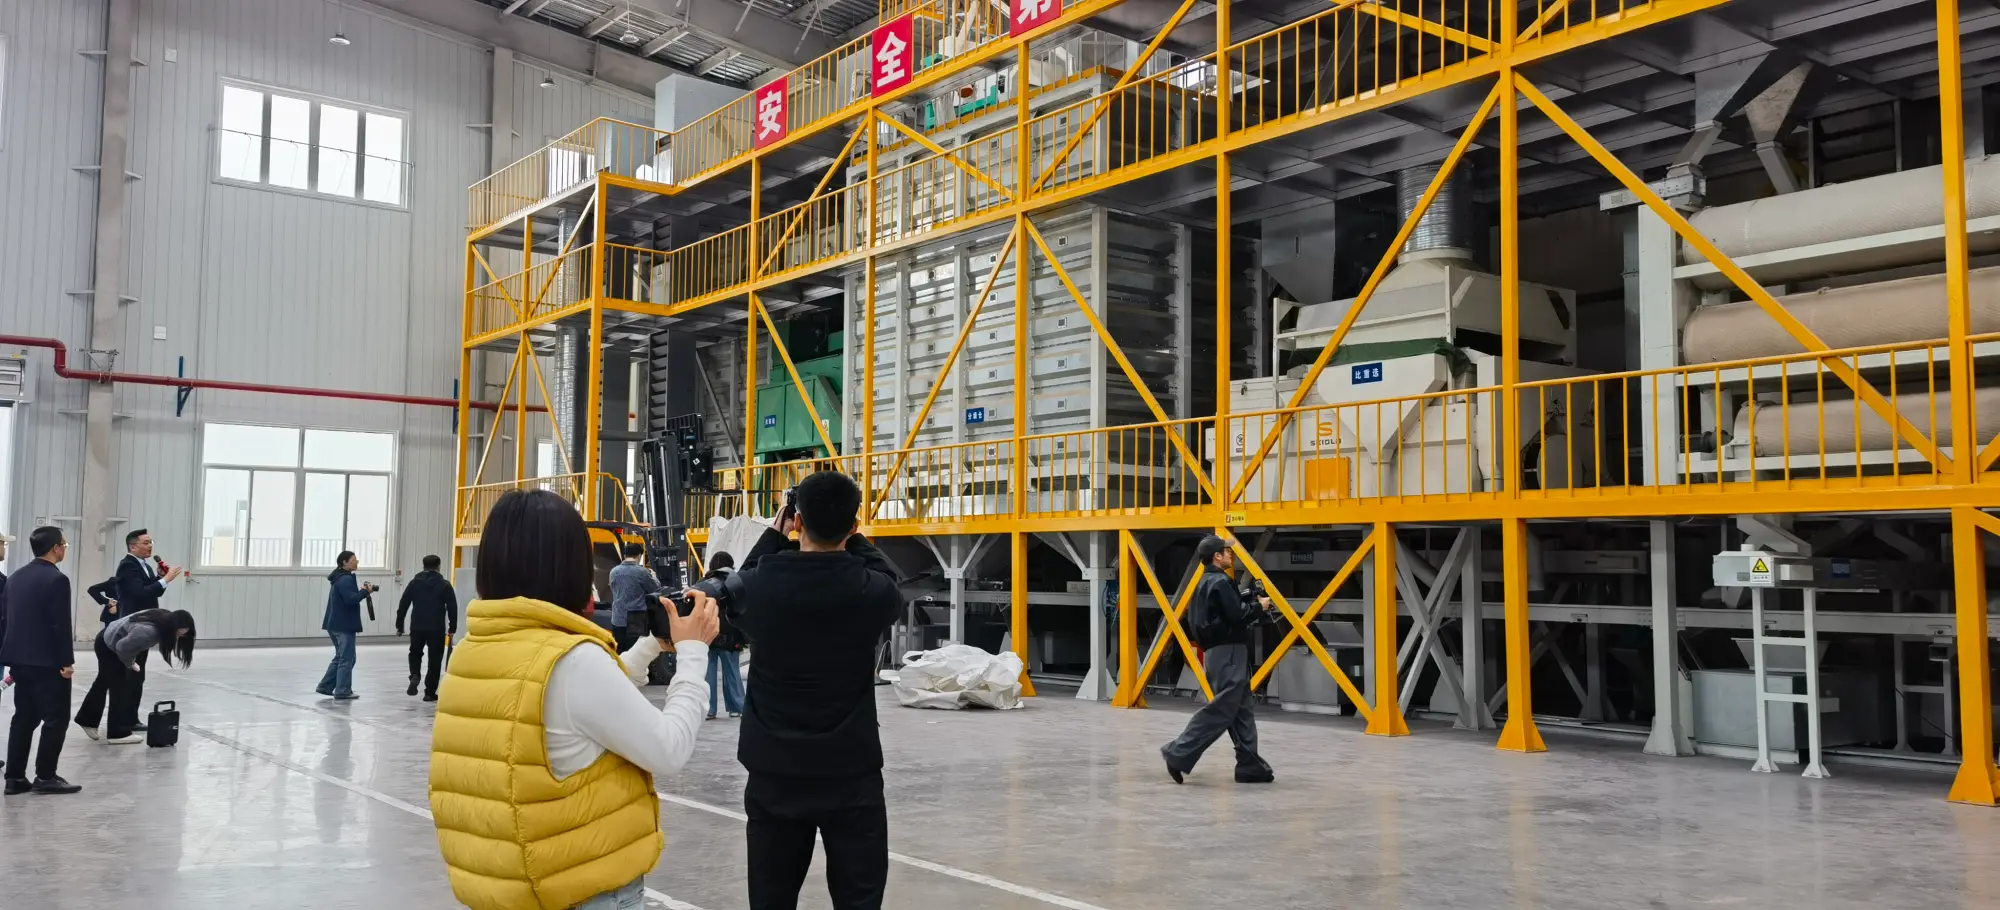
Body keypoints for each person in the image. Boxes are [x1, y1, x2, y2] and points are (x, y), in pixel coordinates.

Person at [429, 489, 717, 910]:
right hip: (581, 891)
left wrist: (650, 646)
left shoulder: (472, 650)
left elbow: (574, 709)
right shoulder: (574, 662)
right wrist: (693, 653)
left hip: (509, 889)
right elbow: (668, 749)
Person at [690, 470, 902, 910]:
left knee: (772, 898)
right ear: (853, 525)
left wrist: (773, 534)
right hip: (851, 771)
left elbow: (738, 584)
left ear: (797, 520)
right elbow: (890, 581)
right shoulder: (870, 590)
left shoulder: (759, 586)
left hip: (775, 771)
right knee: (859, 900)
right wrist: (855, 539)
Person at [1160, 535, 1275, 785]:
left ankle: (1250, 765)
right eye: (1226, 551)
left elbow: (1223, 613)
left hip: (1220, 652)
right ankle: (1178, 753)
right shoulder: (1220, 582)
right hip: (1228, 652)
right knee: (1223, 708)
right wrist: (1260, 606)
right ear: (1216, 556)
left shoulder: (1205, 582)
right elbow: (1237, 617)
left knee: (1241, 709)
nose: (1230, 554)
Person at [1, 527, 81, 795]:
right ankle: (46, 776)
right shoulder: (57, 579)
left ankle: (14, 778)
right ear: (56, 548)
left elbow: (5, 620)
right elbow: (59, 624)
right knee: (56, 718)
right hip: (48, 663)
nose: (64, 549)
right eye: (64, 545)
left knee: (24, 718)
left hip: (19, 661)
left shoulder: (15, 578)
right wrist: (66, 661)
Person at [74, 609, 197, 744]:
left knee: (104, 681)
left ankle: (87, 720)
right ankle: (118, 734)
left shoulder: (164, 619)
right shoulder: (149, 632)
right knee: (120, 687)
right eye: (178, 633)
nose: (179, 637)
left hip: (110, 638)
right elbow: (122, 647)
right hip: (110, 645)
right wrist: (130, 663)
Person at [111, 529, 184, 727]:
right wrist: (165, 580)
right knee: (132, 674)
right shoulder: (128, 566)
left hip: (144, 624)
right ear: (133, 546)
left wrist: (159, 578)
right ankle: (126, 720)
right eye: (145, 542)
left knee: (137, 674)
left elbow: (152, 591)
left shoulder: (144, 565)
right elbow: (139, 594)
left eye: (151, 542)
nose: (150, 546)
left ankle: (131, 717)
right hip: (135, 626)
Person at [396, 555, 458, 702]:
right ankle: (429, 692)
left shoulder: (414, 583)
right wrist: (452, 628)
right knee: (435, 659)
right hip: (436, 627)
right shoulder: (444, 585)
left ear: (423, 566)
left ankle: (415, 675)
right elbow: (452, 607)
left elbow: (403, 605)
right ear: (439, 566)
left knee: (415, 652)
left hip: (417, 625)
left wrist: (400, 625)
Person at [318, 551, 376, 700]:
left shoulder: (339, 577)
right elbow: (351, 600)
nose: (357, 562)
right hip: (343, 625)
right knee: (347, 658)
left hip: (335, 623)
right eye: (354, 559)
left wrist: (361, 592)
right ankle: (342, 690)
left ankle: (325, 686)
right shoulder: (345, 579)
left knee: (341, 657)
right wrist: (364, 592)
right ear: (345, 562)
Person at [702, 552, 745, 720]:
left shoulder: (702, 584)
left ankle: (709, 709)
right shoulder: (735, 584)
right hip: (730, 634)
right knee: (732, 672)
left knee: (708, 674)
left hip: (708, 633)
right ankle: (737, 707)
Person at [608, 542, 657, 653]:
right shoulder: (642, 572)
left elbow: (614, 590)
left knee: (620, 652)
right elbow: (655, 590)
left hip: (618, 618)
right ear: (639, 555)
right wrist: (654, 577)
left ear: (625, 555)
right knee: (637, 653)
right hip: (637, 618)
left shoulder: (613, 571)